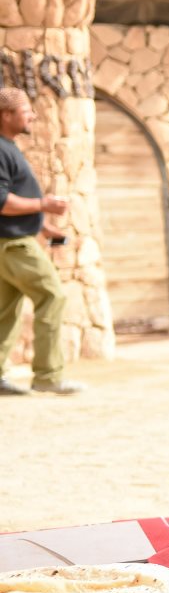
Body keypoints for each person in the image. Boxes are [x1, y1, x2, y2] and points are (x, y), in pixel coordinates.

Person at [0, 87, 85, 395]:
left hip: (11, 244)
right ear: (6, 115)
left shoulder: (8, 148)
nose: (33, 115)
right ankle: (49, 375)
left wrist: (44, 227)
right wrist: (44, 205)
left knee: (5, 311)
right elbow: (2, 202)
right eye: (26, 110)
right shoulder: (1, 149)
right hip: (13, 246)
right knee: (52, 296)